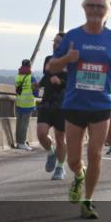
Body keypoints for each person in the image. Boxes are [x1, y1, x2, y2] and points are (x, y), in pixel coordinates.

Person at [47, 0, 111, 218]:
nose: (95, 10)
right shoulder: (73, 36)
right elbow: (51, 67)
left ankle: (88, 200)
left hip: (101, 106)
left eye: (100, 6)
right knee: (74, 160)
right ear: (84, 8)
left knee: (95, 154)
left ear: (107, 11)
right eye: (91, 5)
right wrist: (67, 59)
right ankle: (79, 175)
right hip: (75, 104)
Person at [37, 34, 68, 179]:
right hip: (47, 102)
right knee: (41, 133)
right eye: (54, 41)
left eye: (58, 42)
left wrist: (61, 82)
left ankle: (60, 168)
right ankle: (51, 152)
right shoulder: (48, 59)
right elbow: (46, 77)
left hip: (62, 104)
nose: (55, 44)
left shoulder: (70, 62)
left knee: (60, 138)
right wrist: (38, 84)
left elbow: (74, 83)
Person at [13, 59, 39, 150]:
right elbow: (36, 93)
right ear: (29, 66)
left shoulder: (17, 77)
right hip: (28, 104)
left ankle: (18, 142)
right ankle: (22, 143)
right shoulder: (31, 78)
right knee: (24, 124)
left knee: (19, 124)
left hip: (19, 102)